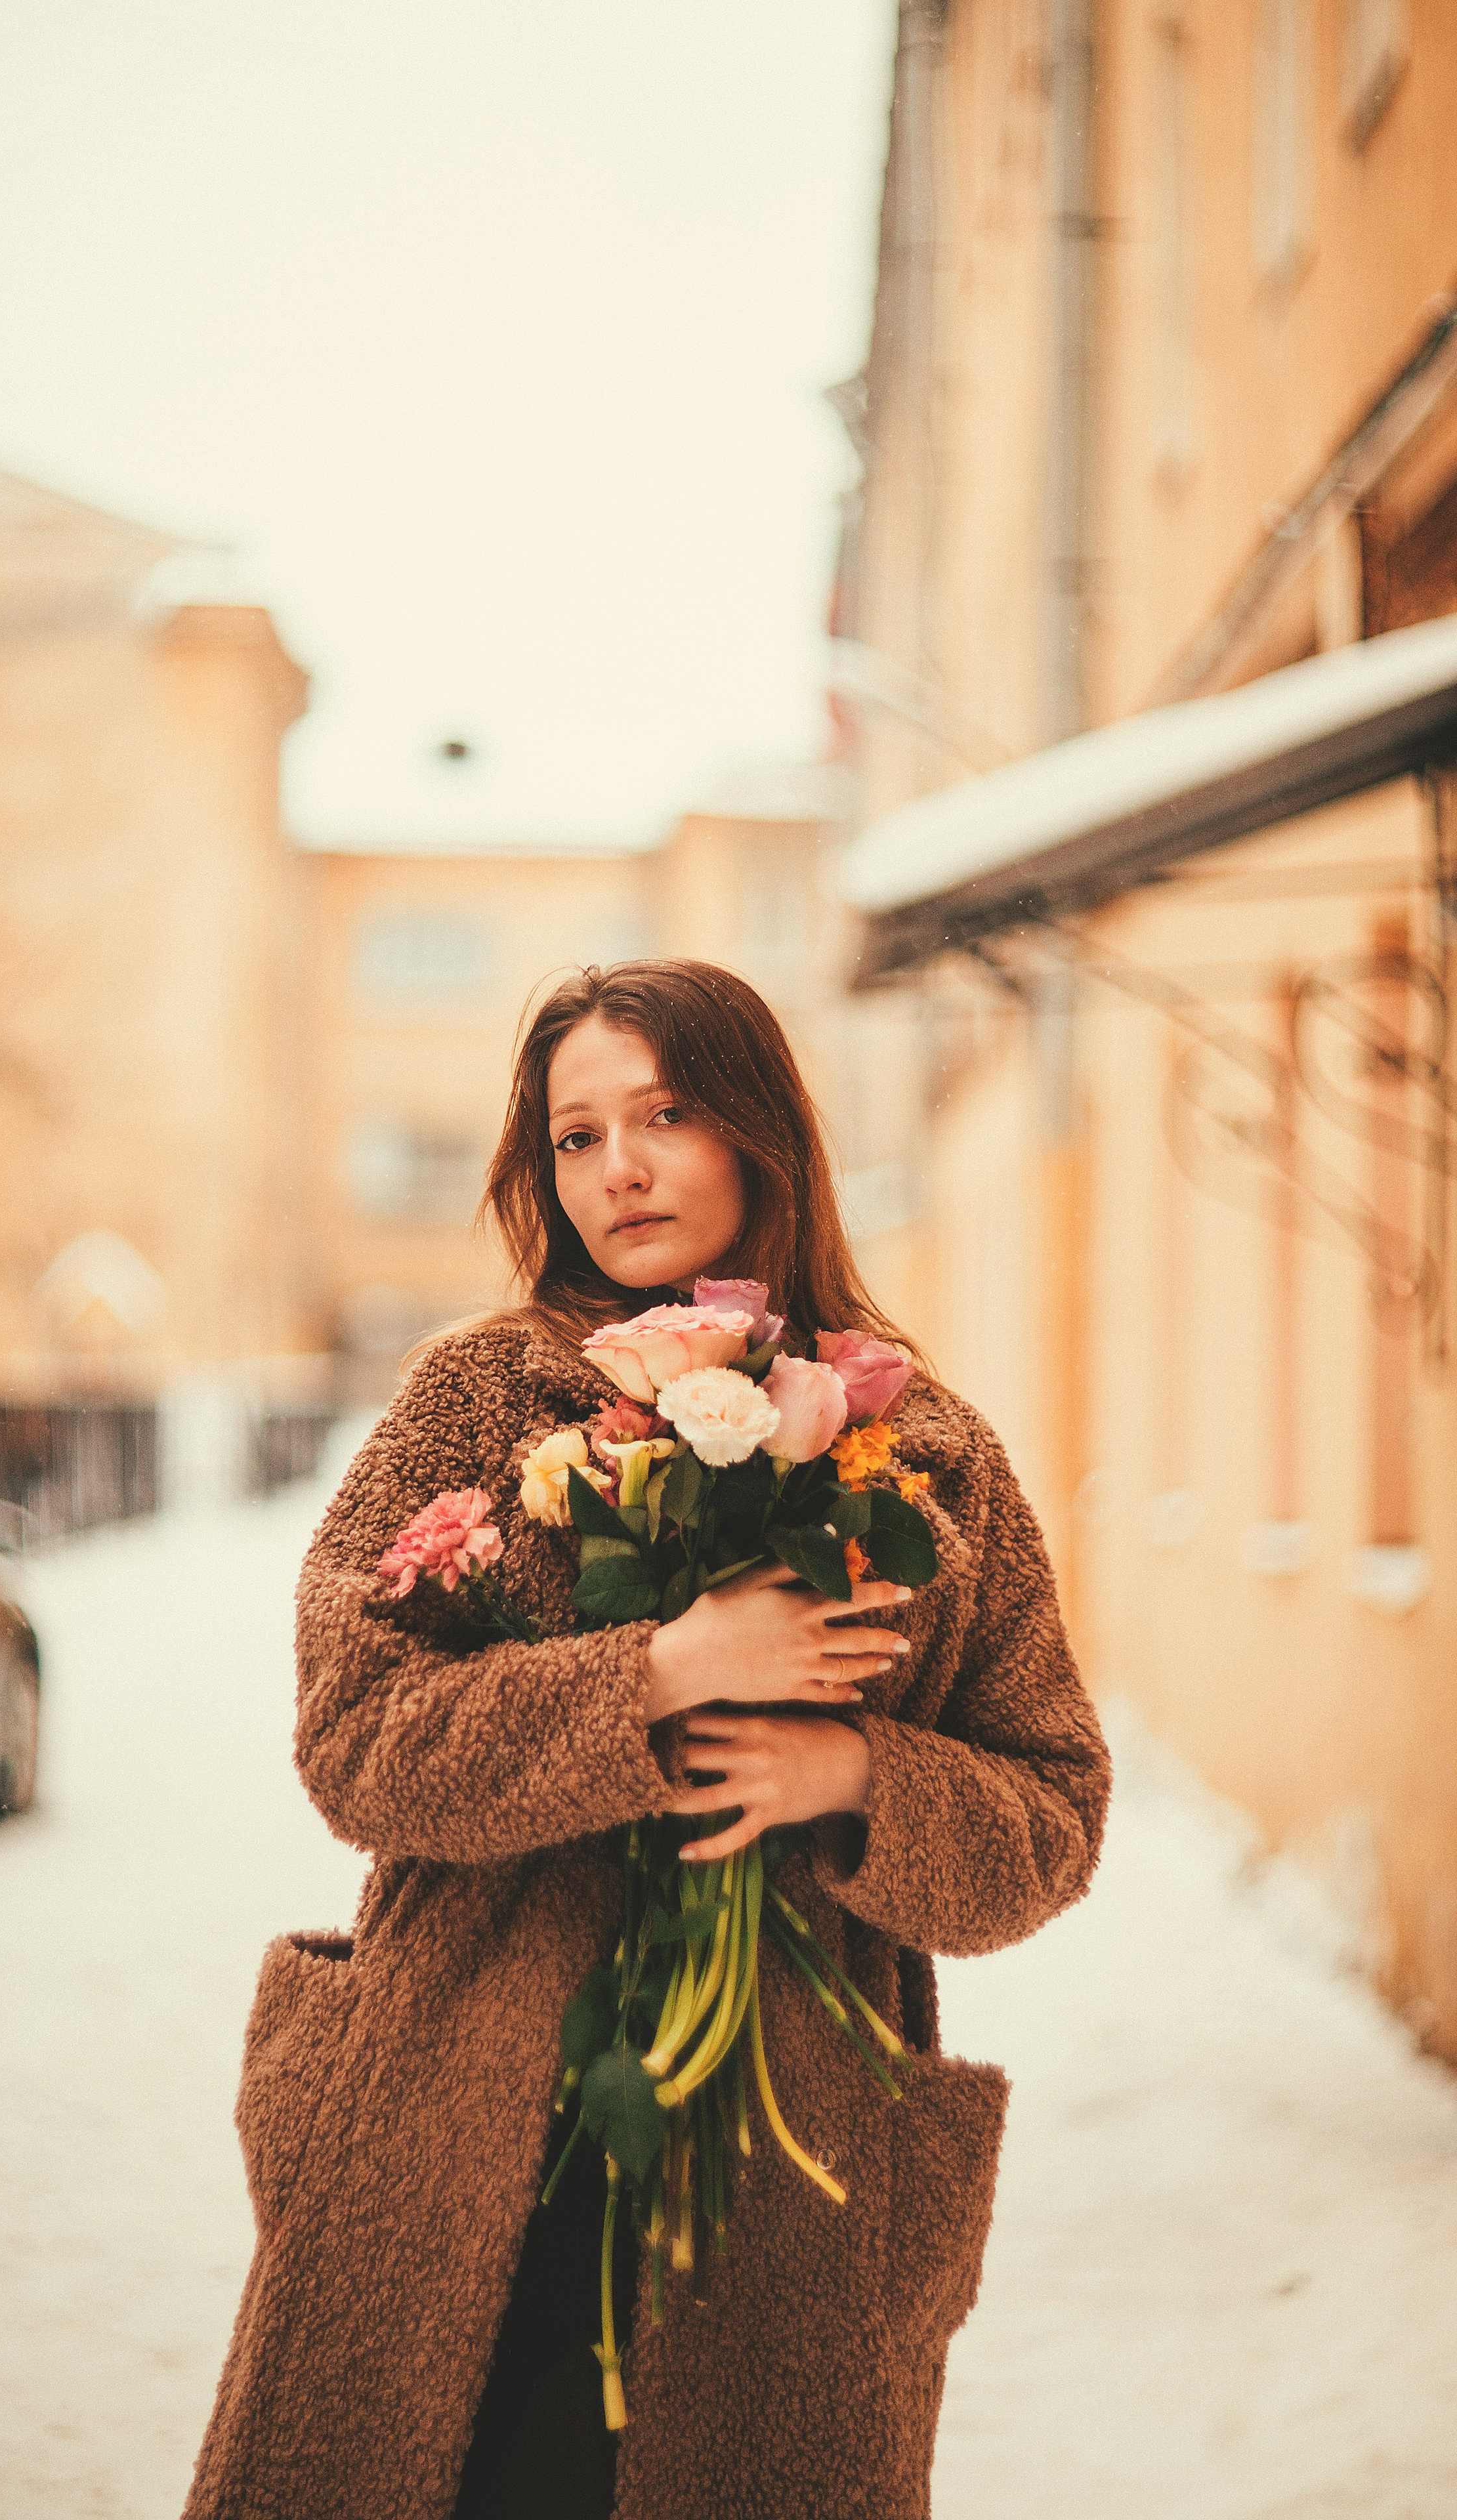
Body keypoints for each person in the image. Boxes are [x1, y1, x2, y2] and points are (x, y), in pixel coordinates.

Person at [182, 959, 1110, 2520]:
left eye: (664, 1114)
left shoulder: (929, 1449)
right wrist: (660, 1672)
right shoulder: (477, 1402)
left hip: (785, 2191)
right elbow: (353, 1737)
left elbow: (1055, 1811)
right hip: (457, 2157)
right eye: (573, 1134)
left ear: (758, 1131)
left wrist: (854, 1781)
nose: (617, 1166)